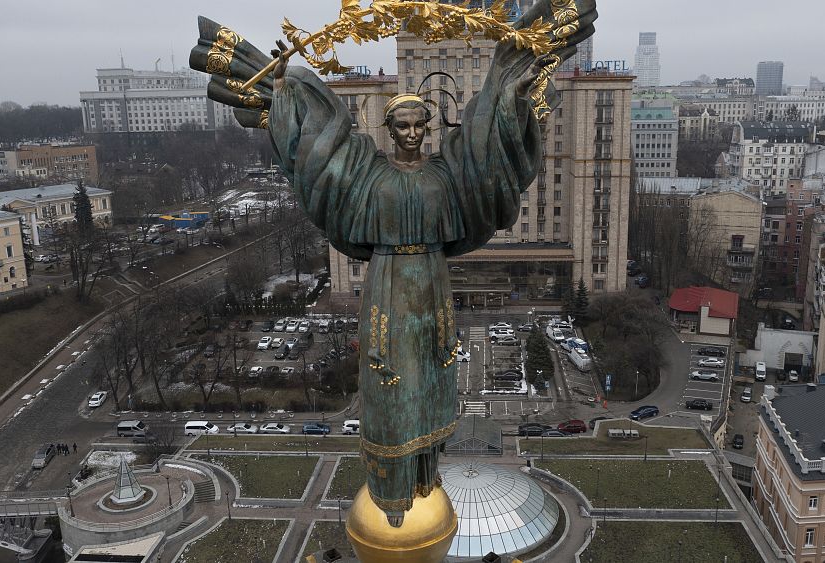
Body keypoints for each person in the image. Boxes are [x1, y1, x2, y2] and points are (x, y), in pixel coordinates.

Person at [191, 0, 596, 527]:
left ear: (428, 128)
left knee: (430, 377)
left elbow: (483, 150)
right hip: (387, 290)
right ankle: (390, 492)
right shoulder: (369, 178)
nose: (410, 134)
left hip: (431, 283)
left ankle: (425, 472)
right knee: (389, 386)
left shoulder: (446, 177)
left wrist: (510, 72)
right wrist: (287, 89)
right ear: (389, 128)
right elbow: (326, 152)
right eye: (400, 125)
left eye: (417, 125)